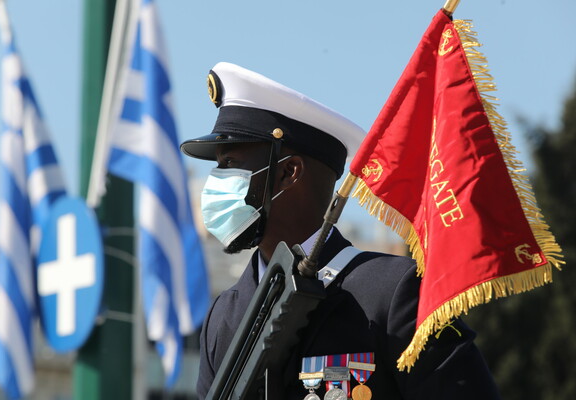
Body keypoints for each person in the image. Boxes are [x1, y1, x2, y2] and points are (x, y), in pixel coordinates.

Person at [181, 62, 501, 399]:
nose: (215, 181)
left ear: (289, 173)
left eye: (229, 164)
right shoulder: (225, 316)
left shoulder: (395, 294)